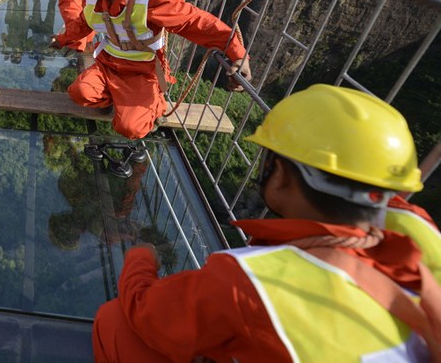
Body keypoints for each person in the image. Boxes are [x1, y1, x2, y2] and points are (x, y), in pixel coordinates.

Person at [93, 84, 441, 362]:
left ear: (283, 176)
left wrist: (140, 256)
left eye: (268, 160)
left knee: (114, 322)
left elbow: (147, 312)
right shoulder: (420, 230)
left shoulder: (252, 282)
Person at [52, 0, 251, 154]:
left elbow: (196, 22)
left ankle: (155, 101)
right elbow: (83, 23)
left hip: (142, 71)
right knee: (80, 93)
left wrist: (238, 53)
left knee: (130, 127)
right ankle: (124, 100)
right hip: (107, 65)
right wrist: (61, 40)